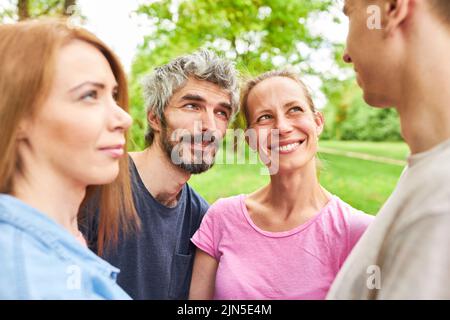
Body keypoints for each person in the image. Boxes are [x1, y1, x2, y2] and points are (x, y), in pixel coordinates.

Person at [189, 70, 374, 300]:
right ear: (250, 139)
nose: (283, 128)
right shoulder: (221, 218)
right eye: (265, 117)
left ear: (317, 122)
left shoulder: (359, 232)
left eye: (294, 110)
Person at [83, 49, 240, 299]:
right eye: (192, 106)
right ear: (155, 118)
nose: (209, 125)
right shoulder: (96, 186)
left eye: (221, 112)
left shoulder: (200, 216)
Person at [0, 19, 139, 299]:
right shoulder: (32, 277)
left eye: (113, 95)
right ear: (17, 116)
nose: (124, 118)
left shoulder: (52, 255)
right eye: (89, 95)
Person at [327, 0, 450, 299]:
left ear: (393, 8)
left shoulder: (440, 204)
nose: (345, 54)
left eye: (349, 14)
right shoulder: (423, 173)